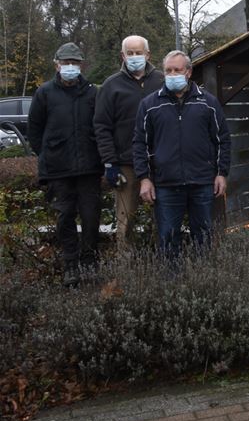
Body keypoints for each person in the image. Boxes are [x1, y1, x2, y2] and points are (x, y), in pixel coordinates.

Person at [132, 50, 230, 259]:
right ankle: (171, 285)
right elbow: (140, 143)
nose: (172, 74)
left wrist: (222, 172)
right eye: (168, 70)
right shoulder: (150, 105)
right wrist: (144, 178)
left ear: (188, 72)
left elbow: (222, 139)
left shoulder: (208, 103)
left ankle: (202, 282)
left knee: (203, 237)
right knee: (167, 238)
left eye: (177, 70)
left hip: (202, 182)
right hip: (166, 184)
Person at [27, 42, 103, 286]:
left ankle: (90, 260)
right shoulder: (45, 92)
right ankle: (71, 263)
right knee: (65, 218)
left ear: (81, 65)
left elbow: (101, 126)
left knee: (91, 217)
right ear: (57, 64)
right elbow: (34, 130)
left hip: (89, 168)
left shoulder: (93, 92)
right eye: (66, 62)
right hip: (59, 170)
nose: (70, 67)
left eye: (75, 63)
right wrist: (48, 154)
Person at [94, 35, 164, 251]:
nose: (135, 57)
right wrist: (109, 162)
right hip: (126, 163)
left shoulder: (161, 81)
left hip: (160, 161)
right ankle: (127, 270)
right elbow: (101, 126)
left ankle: (165, 262)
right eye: (130, 53)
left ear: (148, 54)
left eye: (138, 52)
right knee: (126, 222)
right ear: (122, 56)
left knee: (164, 217)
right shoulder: (111, 86)